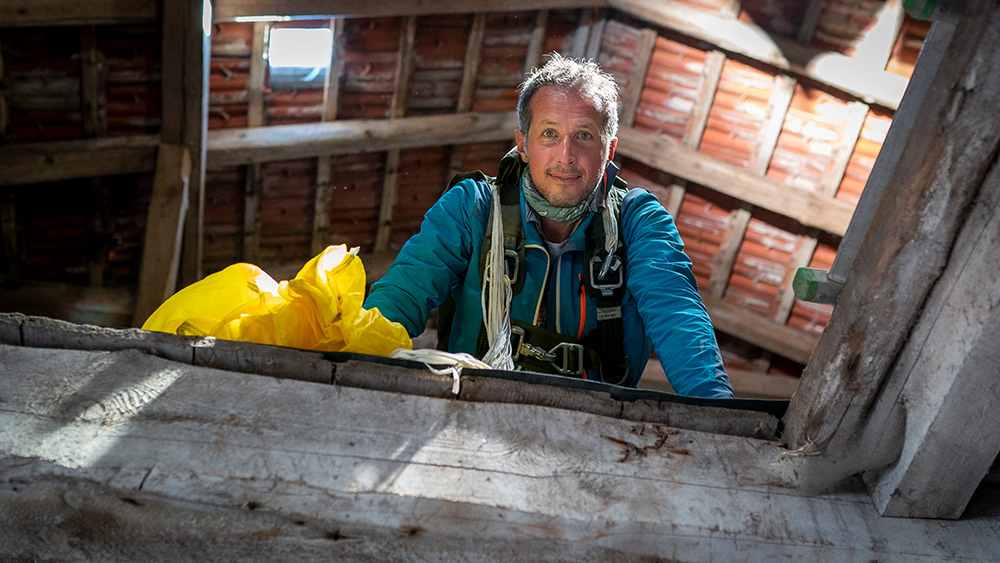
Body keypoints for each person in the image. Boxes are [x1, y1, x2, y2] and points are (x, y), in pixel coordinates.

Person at [365, 53, 732, 399]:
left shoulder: (638, 221)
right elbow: (403, 293)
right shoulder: (472, 207)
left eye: (584, 135)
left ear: (610, 149)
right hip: (471, 407)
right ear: (522, 144)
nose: (566, 156)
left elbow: (678, 313)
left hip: (599, 424)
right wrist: (351, 356)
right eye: (549, 134)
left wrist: (718, 413)